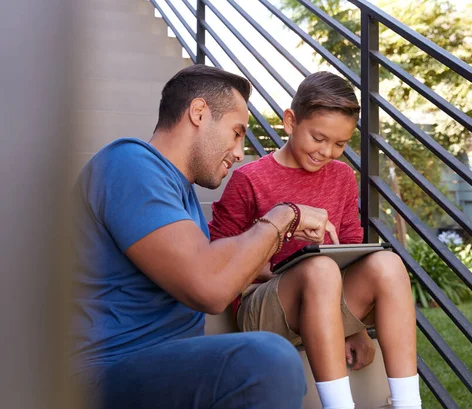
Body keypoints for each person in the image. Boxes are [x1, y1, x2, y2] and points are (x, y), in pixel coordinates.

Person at [70, 64, 336, 409]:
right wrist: (283, 217)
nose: (240, 152)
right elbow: (209, 288)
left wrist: (271, 267)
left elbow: (206, 267)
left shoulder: (180, 196)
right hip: (104, 370)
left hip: (165, 365)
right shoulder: (129, 163)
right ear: (198, 113)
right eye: (237, 132)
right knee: (267, 360)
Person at [209, 72, 421, 409]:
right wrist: (276, 248)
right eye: (319, 138)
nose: (327, 152)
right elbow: (217, 259)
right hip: (264, 309)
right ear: (291, 121)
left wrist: (356, 330)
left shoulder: (341, 177)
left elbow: (352, 247)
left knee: (388, 263)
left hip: (327, 300)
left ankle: (409, 403)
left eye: (340, 144)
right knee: (319, 268)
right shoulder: (249, 179)